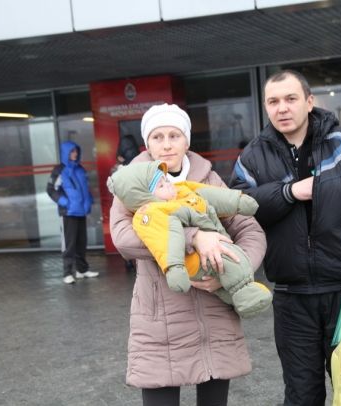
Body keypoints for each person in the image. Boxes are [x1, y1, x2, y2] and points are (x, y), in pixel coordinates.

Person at [229, 70, 341, 406]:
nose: (282, 108)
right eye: (273, 101)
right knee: (301, 395)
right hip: (292, 298)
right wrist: (289, 192)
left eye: (290, 99)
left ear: (309, 102)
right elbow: (238, 208)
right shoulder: (252, 157)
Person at [109, 103, 266, 406]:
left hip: (214, 314)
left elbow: (251, 231)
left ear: (187, 141)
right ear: (147, 144)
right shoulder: (132, 182)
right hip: (160, 320)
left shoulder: (209, 179)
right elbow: (124, 239)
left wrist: (233, 271)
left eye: (174, 135)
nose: (166, 144)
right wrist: (195, 236)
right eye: (157, 137)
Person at [107, 159, 272, 318]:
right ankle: (245, 290)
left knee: (227, 273)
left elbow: (209, 194)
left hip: (215, 299)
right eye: (161, 185)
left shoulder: (183, 189)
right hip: (195, 262)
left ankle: (241, 300)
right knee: (228, 259)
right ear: (144, 196)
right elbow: (164, 241)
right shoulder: (151, 212)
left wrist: (237, 201)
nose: (167, 145)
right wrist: (180, 258)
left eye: (166, 180)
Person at [46, 140, 98, 284]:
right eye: (72, 151)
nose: (75, 154)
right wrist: (64, 202)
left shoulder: (80, 169)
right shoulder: (59, 170)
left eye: (76, 151)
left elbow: (85, 188)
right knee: (69, 244)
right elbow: (51, 189)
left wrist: (88, 201)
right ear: (66, 153)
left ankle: (81, 270)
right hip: (68, 212)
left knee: (81, 243)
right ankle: (67, 273)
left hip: (81, 211)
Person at [111, 134, 141, 272]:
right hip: (141, 203)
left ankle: (128, 261)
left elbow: (114, 188)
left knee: (126, 233)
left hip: (125, 204)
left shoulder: (119, 168)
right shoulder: (142, 162)